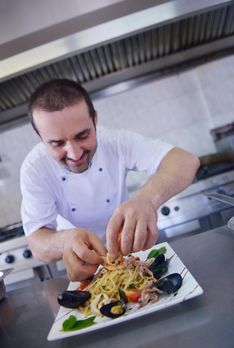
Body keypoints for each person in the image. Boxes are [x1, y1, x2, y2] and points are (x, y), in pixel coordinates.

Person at [20, 79, 200, 282]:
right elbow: (37, 244)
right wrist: (66, 240)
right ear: (41, 137)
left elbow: (186, 161)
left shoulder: (115, 142)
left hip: (131, 254)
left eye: (82, 135)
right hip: (81, 267)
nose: (74, 153)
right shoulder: (35, 168)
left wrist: (146, 200)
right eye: (57, 143)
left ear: (95, 121)